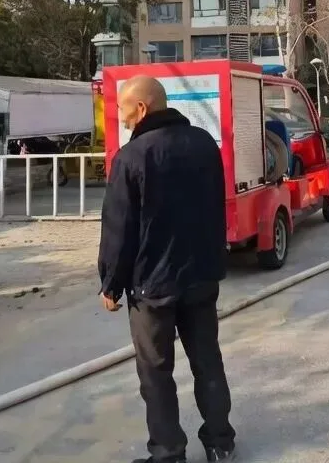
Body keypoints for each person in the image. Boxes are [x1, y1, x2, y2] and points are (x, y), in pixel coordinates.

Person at [99, 75, 236, 463]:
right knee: (207, 361)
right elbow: (216, 206)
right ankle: (220, 443)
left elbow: (119, 228)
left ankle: (169, 453)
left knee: (156, 373)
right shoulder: (204, 144)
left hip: (153, 286)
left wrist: (110, 282)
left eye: (123, 109)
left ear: (142, 108)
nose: (121, 117)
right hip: (202, 275)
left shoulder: (131, 157)